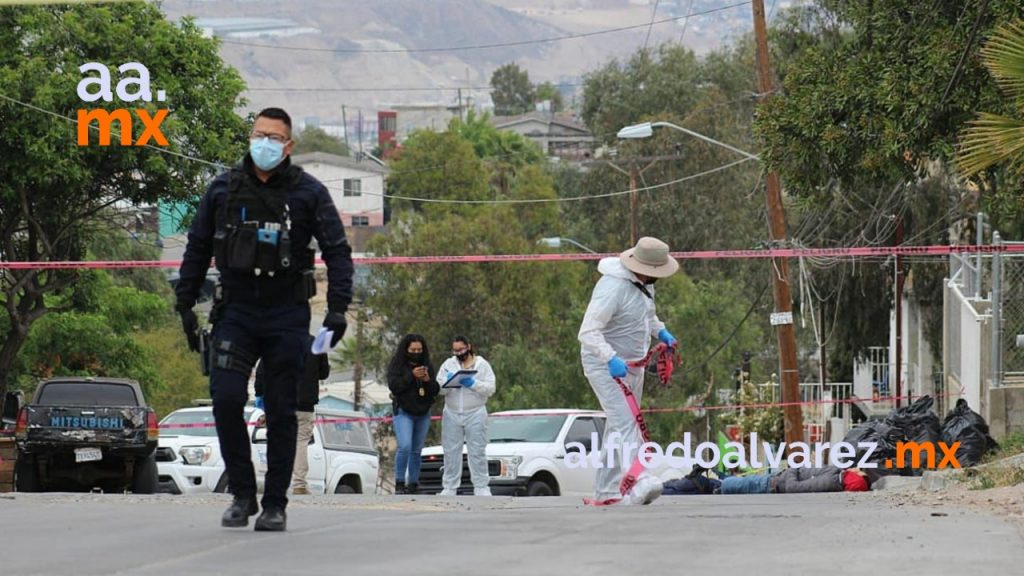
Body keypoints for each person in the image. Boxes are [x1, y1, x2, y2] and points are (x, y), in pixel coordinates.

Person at [175, 107, 353, 531]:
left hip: (286, 316)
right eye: (258, 134)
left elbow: (338, 251)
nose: (264, 143)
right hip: (235, 313)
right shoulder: (222, 189)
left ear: (288, 145)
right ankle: (241, 494)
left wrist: (338, 309)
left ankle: (275, 502)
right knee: (226, 398)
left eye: (273, 137)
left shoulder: (309, 193)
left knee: (280, 410)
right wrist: (185, 303)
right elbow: (197, 247)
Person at [578, 236, 680, 506]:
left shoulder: (644, 286)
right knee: (626, 423)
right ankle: (640, 479)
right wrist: (610, 357)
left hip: (634, 366)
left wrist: (662, 332)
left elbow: (647, 316)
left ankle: (607, 490)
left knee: (616, 428)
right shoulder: (612, 287)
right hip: (605, 365)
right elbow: (588, 332)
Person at [255, 334, 331, 495]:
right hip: (304, 403)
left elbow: (262, 371)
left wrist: (260, 394)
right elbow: (324, 373)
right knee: (301, 442)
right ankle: (299, 484)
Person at [436, 336, 496, 496]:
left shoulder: (482, 365)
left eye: (461, 349)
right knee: (450, 451)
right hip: (452, 411)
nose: (458, 353)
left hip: (475, 412)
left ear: (469, 346)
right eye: (455, 350)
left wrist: (473, 384)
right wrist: (447, 383)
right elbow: (438, 387)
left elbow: (491, 388)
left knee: (477, 450)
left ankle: (481, 486)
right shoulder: (448, 364)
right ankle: (449, 486)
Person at [387, 334, 439, 495]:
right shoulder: (397, 365)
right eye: (413, 350)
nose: (416, 352)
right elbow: (394, 386)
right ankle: (400, 482)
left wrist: (428, 380)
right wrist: (412, 375)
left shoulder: (426, 365)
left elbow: (435, 390)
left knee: (417, 449)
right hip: (404, 411)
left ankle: (414, 483)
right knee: (405, 446)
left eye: (419, 350)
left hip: (423, 411)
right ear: (406, 349)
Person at [718, 466, 871, 494]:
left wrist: (792, 469)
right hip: (774, 480)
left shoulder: (831, 481)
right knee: (724, 480)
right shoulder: (836, 475)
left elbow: (793, 487)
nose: (857, 468)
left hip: (771, 485)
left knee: (725, 484)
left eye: (859, 471)